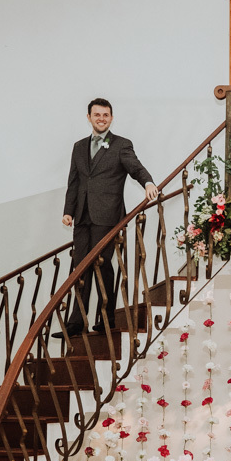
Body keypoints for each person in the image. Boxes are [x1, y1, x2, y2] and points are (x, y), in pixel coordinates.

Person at [55, 98, 159, 338]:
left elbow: (135, 167)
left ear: (111, 118)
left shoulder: (121, 144)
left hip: (107, 215)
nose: (101, 118)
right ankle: (76, 323)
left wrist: (148, 182)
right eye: (97, 114)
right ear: (89, 117)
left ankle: (105, 319)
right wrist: (68, 211)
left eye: (105, 115)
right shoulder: (79, 147)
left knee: (102, 266)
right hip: (81, 216)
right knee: (79, 269)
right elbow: (74, 181)